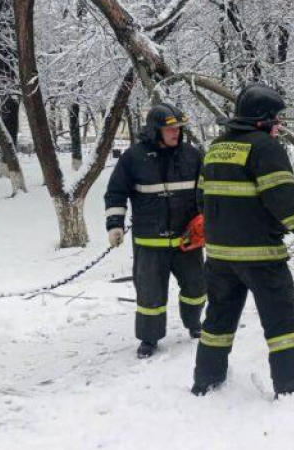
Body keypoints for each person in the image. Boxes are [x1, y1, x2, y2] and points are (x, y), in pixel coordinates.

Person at [191, 84, 294, 396]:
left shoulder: (216, 147)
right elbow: (285, 202)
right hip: (261, 257)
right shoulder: (266, 148)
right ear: (262, 118)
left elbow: (201, 200)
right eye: (277, 118)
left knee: (217, 320)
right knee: (283, 323)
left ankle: (206, 380)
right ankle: (291, 386)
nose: (280, 124)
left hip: (218, 257)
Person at [104, 103, 206, 359]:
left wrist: (209, 220)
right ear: (154, 130)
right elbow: (116, 192)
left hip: (188, 241)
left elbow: (206, 191)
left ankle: (195, 324)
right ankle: (149, 339)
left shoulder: (192, 155)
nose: (176, 133)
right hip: (150, 244)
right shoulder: (133, 157)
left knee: (196, 289)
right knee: (150, 296)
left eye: (179, 128)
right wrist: (115, 224)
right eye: (170, 129)